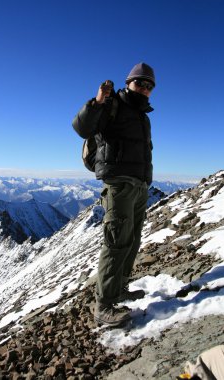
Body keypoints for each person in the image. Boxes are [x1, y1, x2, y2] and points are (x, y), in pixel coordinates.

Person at [72, 62, 155, 326]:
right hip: (118, 184)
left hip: (139, 185)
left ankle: (119, 288)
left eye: (149, 86)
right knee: (116, 241)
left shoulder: (143, 116)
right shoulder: (112, 105)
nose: (144, 89)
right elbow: (81, 128)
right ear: (128, 82)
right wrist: (97, 102)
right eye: (140, 83)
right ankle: (103, 305)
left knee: (132, 240)